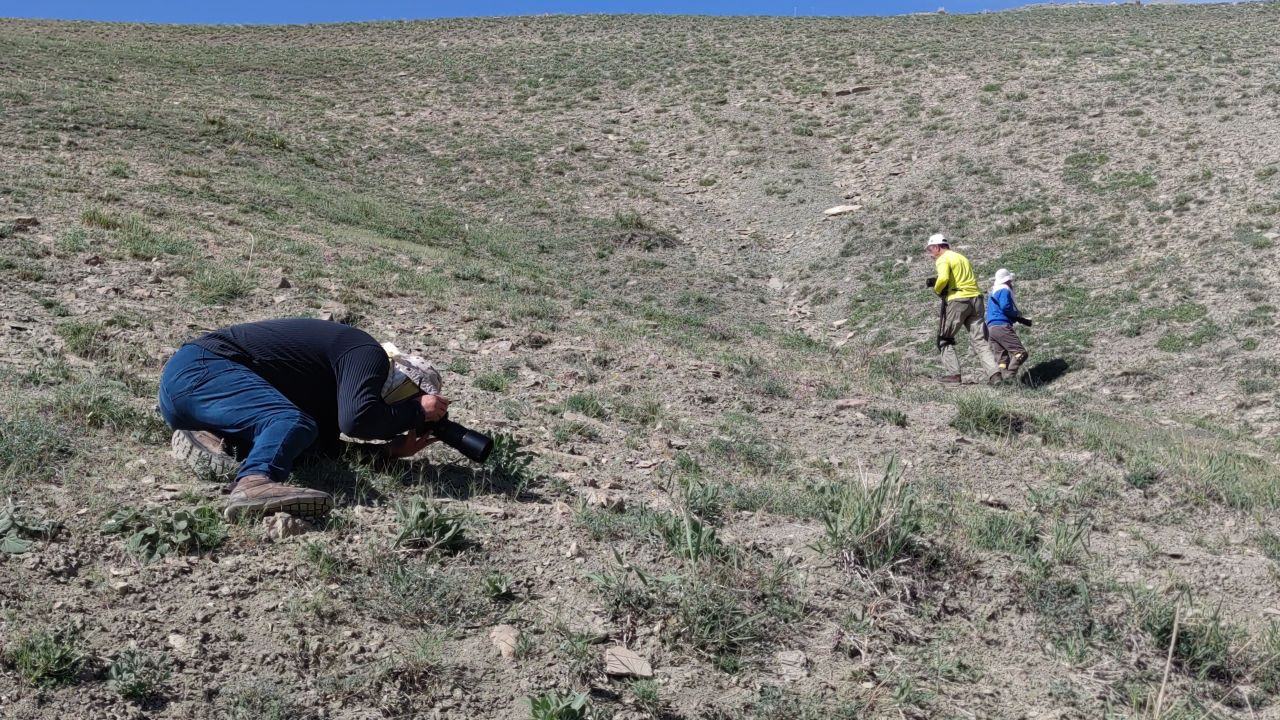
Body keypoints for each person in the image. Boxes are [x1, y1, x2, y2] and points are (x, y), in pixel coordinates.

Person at [157, 318, 450, 520]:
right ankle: (255, 481)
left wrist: (387, 451)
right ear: (402, 381)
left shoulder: (328, 386)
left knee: (302, 441)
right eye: (406, 397)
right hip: (204, 367)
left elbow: (325, 448)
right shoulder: (367, 352)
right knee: (291, 422)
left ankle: (212, 439)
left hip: (187, 396)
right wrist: (417, 411)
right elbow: (358, 421)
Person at [925, 233, 999, 385]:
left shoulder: (943, 259)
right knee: (980, 340)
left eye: (931, 249)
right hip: (976, 299)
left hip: (958, 300)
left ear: (937, 247)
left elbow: (944, 278)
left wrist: (938, 289)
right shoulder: (962, 257)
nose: (930, 253)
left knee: (944, 338)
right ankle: (995, 375)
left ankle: (953, 375)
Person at [985, 268, 1032, 382]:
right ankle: (1010, 375)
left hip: (991, 328)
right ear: (1007, 280)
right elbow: (1005, 306)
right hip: (1002, 325)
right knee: (1021, 353)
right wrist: (1015, 314)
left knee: (1002, 359)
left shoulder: (993, 291)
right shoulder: (1004, 289)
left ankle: (1004, 381)